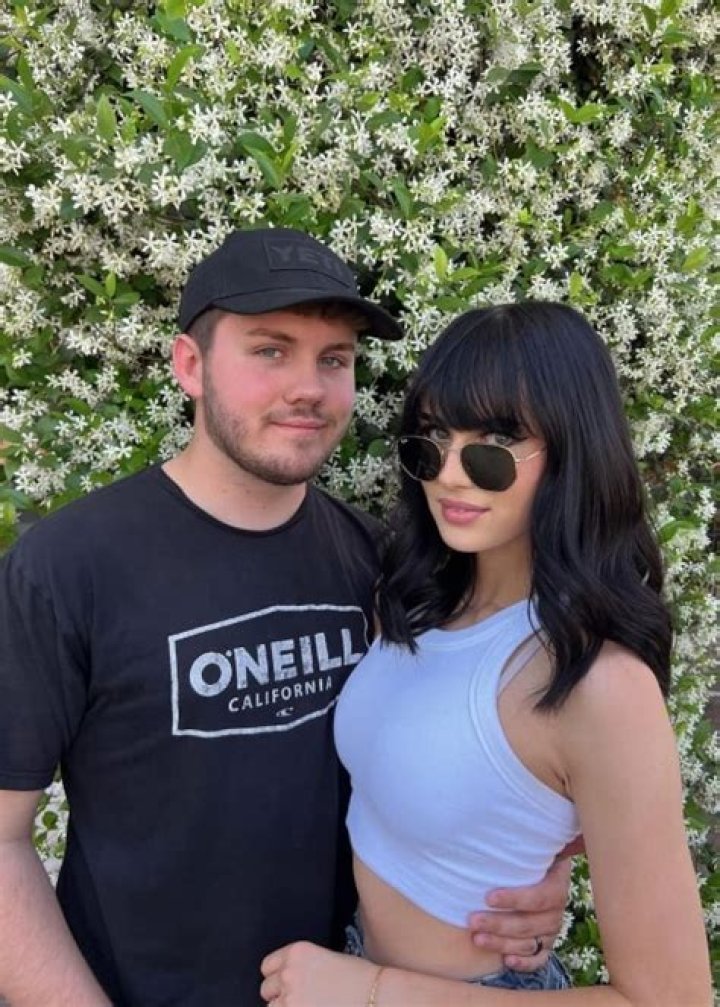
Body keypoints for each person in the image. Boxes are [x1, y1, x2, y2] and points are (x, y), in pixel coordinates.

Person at [0, 232, 569, 1007]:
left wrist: (544, 871)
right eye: (271, 350)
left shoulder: (381, 562)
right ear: (189, 365)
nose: (310, 387)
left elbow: (487, 750)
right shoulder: (69, 566)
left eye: (335, 358)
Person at [260, 302, 712, 1006]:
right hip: (351, 960)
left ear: (572, 450)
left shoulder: (598, 681)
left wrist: (372, 990)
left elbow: (670, 999)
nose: (449, 473)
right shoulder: (410, 601)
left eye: (495, 442)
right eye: (433, 438)